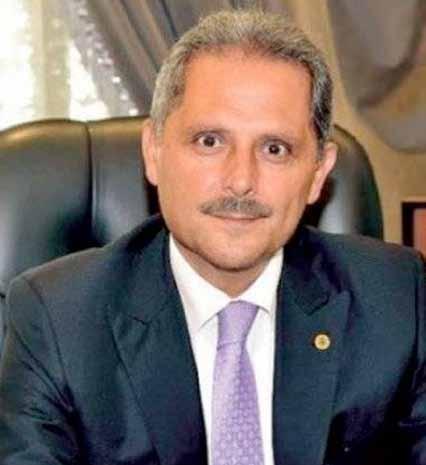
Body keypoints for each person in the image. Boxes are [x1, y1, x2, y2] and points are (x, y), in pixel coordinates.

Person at [0, 8, 425, 465]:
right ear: (154, 151)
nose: (240, 180)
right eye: (210, 142)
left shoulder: (399, 297)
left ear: (318, 173)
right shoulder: (57, 318)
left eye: (275, 148)